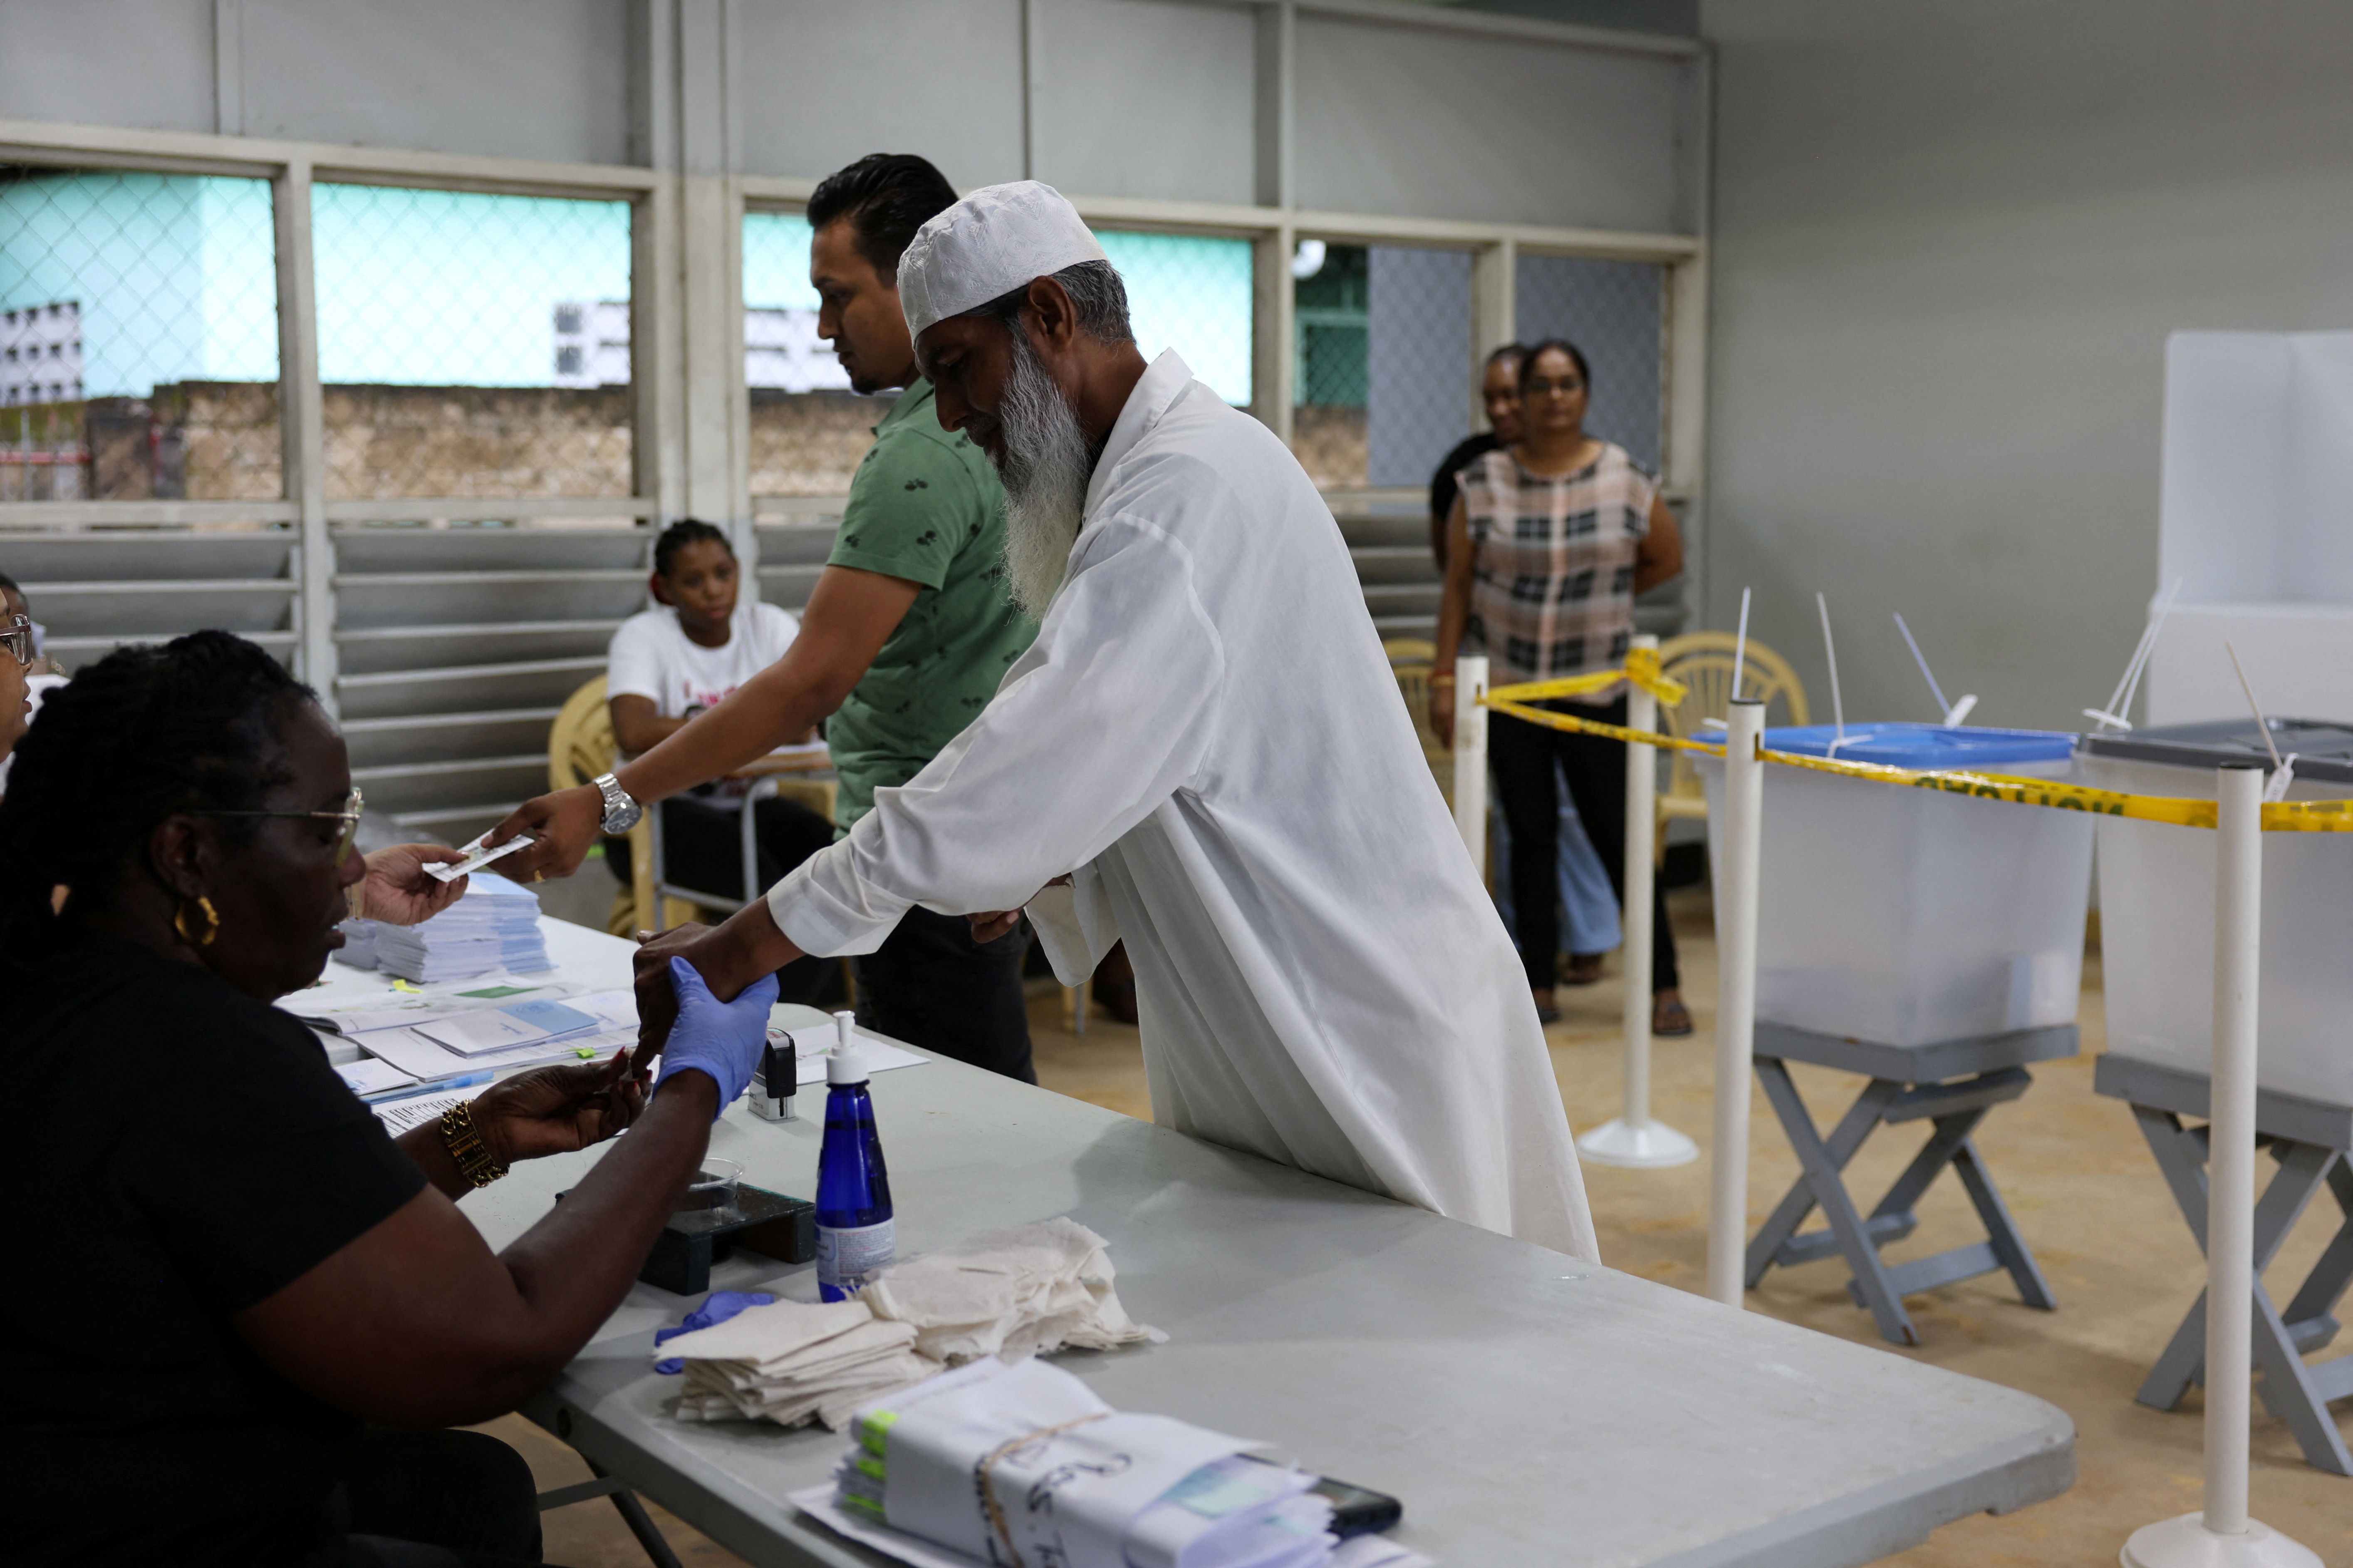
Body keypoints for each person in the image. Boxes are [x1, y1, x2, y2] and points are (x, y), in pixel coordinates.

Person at [629, 181, 1598, 1262]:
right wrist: (1048, 869)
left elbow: (1032, 756)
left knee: (1430, 1348)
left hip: (1359, 1015)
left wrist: (745, 942)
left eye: (956, 367)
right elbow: (1175, 762)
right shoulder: (1146, 475)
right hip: (1277, 1011)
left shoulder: (1184, 493)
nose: (950, 415)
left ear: (1047, 316)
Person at [0, 631, 778, 1567]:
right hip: (144, 1530)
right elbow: (499, 1341)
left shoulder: (56, 983)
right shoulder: (193, 1055)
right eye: (327, 828)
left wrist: (477, 1137)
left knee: (473, 1490)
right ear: (188, 855)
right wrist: (690, 1093)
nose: (347, 867)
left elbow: (263, 1219)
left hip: (77, 1483)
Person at [492, 153, 1040, 1083]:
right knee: (975, 1098)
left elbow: (805, 688)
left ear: (918, 282)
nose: (821, 327)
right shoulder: (999, 427)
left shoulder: (924, 455)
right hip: (978, 842)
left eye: (837, 296)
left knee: (959, 1120)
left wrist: (605, 798)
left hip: (926, 858)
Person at [1430, 339, 1692, 1035]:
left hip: (1598, 693)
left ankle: (1664, 983)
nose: (1553, 398)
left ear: (1585, 393)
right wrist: (1442, 672)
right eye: (1540, 385)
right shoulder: (1481, 481)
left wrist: (1599, 594)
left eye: (1566, 384)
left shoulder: (1625, 477)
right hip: (1512, 691)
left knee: (1621, 836)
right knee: (1530, 836)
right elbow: (1459, 584)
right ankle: (1537, 983)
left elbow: (1665, 558)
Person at [1424, 351, 1623, 989]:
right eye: (1499, 398)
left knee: (1587, 818)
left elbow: (1640, 563)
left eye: (1520, 393)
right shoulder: (1469, 474)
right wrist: (1447, 674)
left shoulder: (1604, 470)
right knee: (1525, 824)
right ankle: (1528, 957)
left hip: (1587, 680)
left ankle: (1594, 938)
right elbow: (1456, 574)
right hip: (1507, 677)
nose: (1511, 408)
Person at [605, 517, 835, 1001]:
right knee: (772, 893)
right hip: (656, 816)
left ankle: (806, 1003)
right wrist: (752, 729)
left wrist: (703, 730)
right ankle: (772, 1016)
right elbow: (634, 732)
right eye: (693, 580)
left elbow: (808, 719)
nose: (713, 590)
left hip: (750, 802)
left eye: (723, 573)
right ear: (662, 588)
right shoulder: (643, 635)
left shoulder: (767, 625)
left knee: (830, 860)